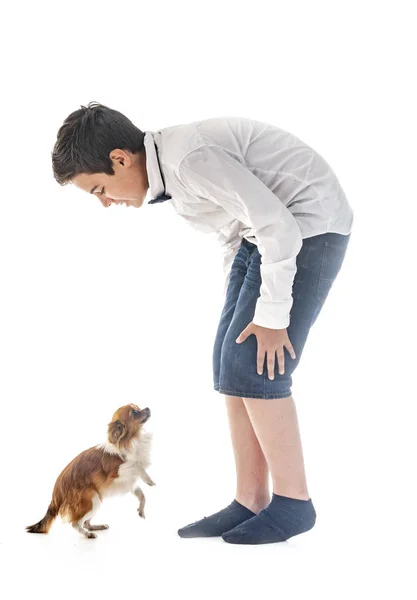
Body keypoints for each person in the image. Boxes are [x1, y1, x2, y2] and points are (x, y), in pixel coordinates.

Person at [52, 103, 353, 545]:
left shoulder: (188, 160)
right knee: (229, 361)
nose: (104, 202)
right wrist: (238, 305)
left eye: (99, 188)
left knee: (256, 364)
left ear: (120, 159)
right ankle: (249, 500)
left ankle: (294, 504)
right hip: (264, 233)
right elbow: (238, 227)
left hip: (308, 225)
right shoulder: (171, 174)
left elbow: (277, 225)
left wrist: (271, 315)